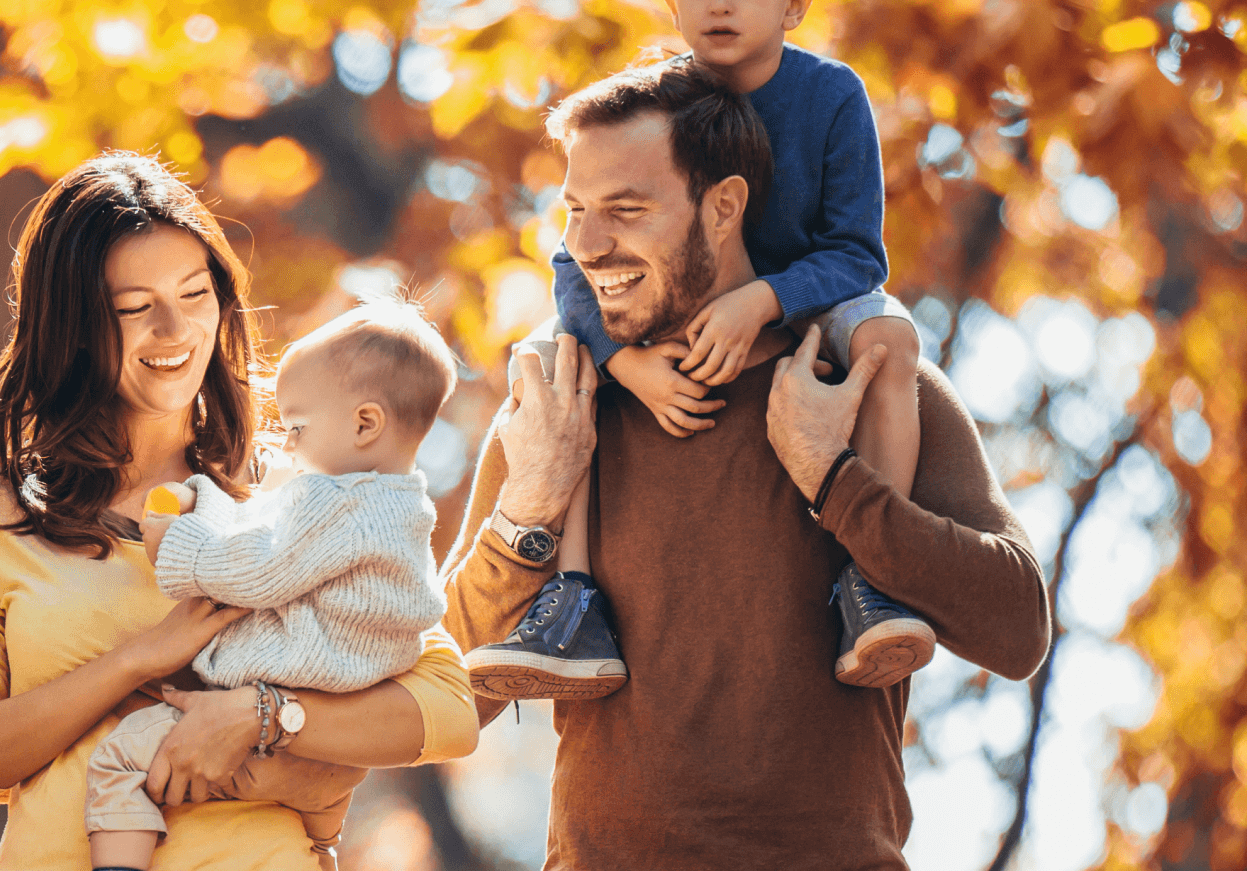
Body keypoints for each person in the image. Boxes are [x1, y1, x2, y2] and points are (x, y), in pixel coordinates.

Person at [443, 59, 1050, 866]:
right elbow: (443, 696)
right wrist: (530, 508)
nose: (587, 247)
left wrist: (837, 480)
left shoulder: (863, 391)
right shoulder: (562, 409)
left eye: (625, 211)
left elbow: (1016, 629)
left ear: (724, 206)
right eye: (576, 212)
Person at [0, 153, 479, 871]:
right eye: (134, 308)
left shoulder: (302, 486)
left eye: (194, 294)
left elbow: (448, 714)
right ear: (74, 327)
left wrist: (260, 716)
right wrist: (139, 659)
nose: (175, 329)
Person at [477, 0, 940, 698]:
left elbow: (858, 253)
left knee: (889, 339)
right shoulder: (664, 100)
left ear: (795, 2)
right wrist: (623, 362)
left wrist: (762, 300)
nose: (717, 3)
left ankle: (873, 577)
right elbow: (570, 262)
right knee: (555, 360)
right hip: (666, 324)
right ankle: (572, 600)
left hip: (808, 310)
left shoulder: (831, 97)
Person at [87, 301, 461, 871]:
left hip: (281, 689)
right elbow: (268, 527)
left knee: (120, 759)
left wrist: (178, 545)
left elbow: (260, 569)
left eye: (296, 427)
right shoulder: (403, 506)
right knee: (314, 828)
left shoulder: (333, 500)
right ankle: (320, 837)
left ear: (365, 424)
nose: (287, 445)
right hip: (341, 713)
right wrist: (208, 499)